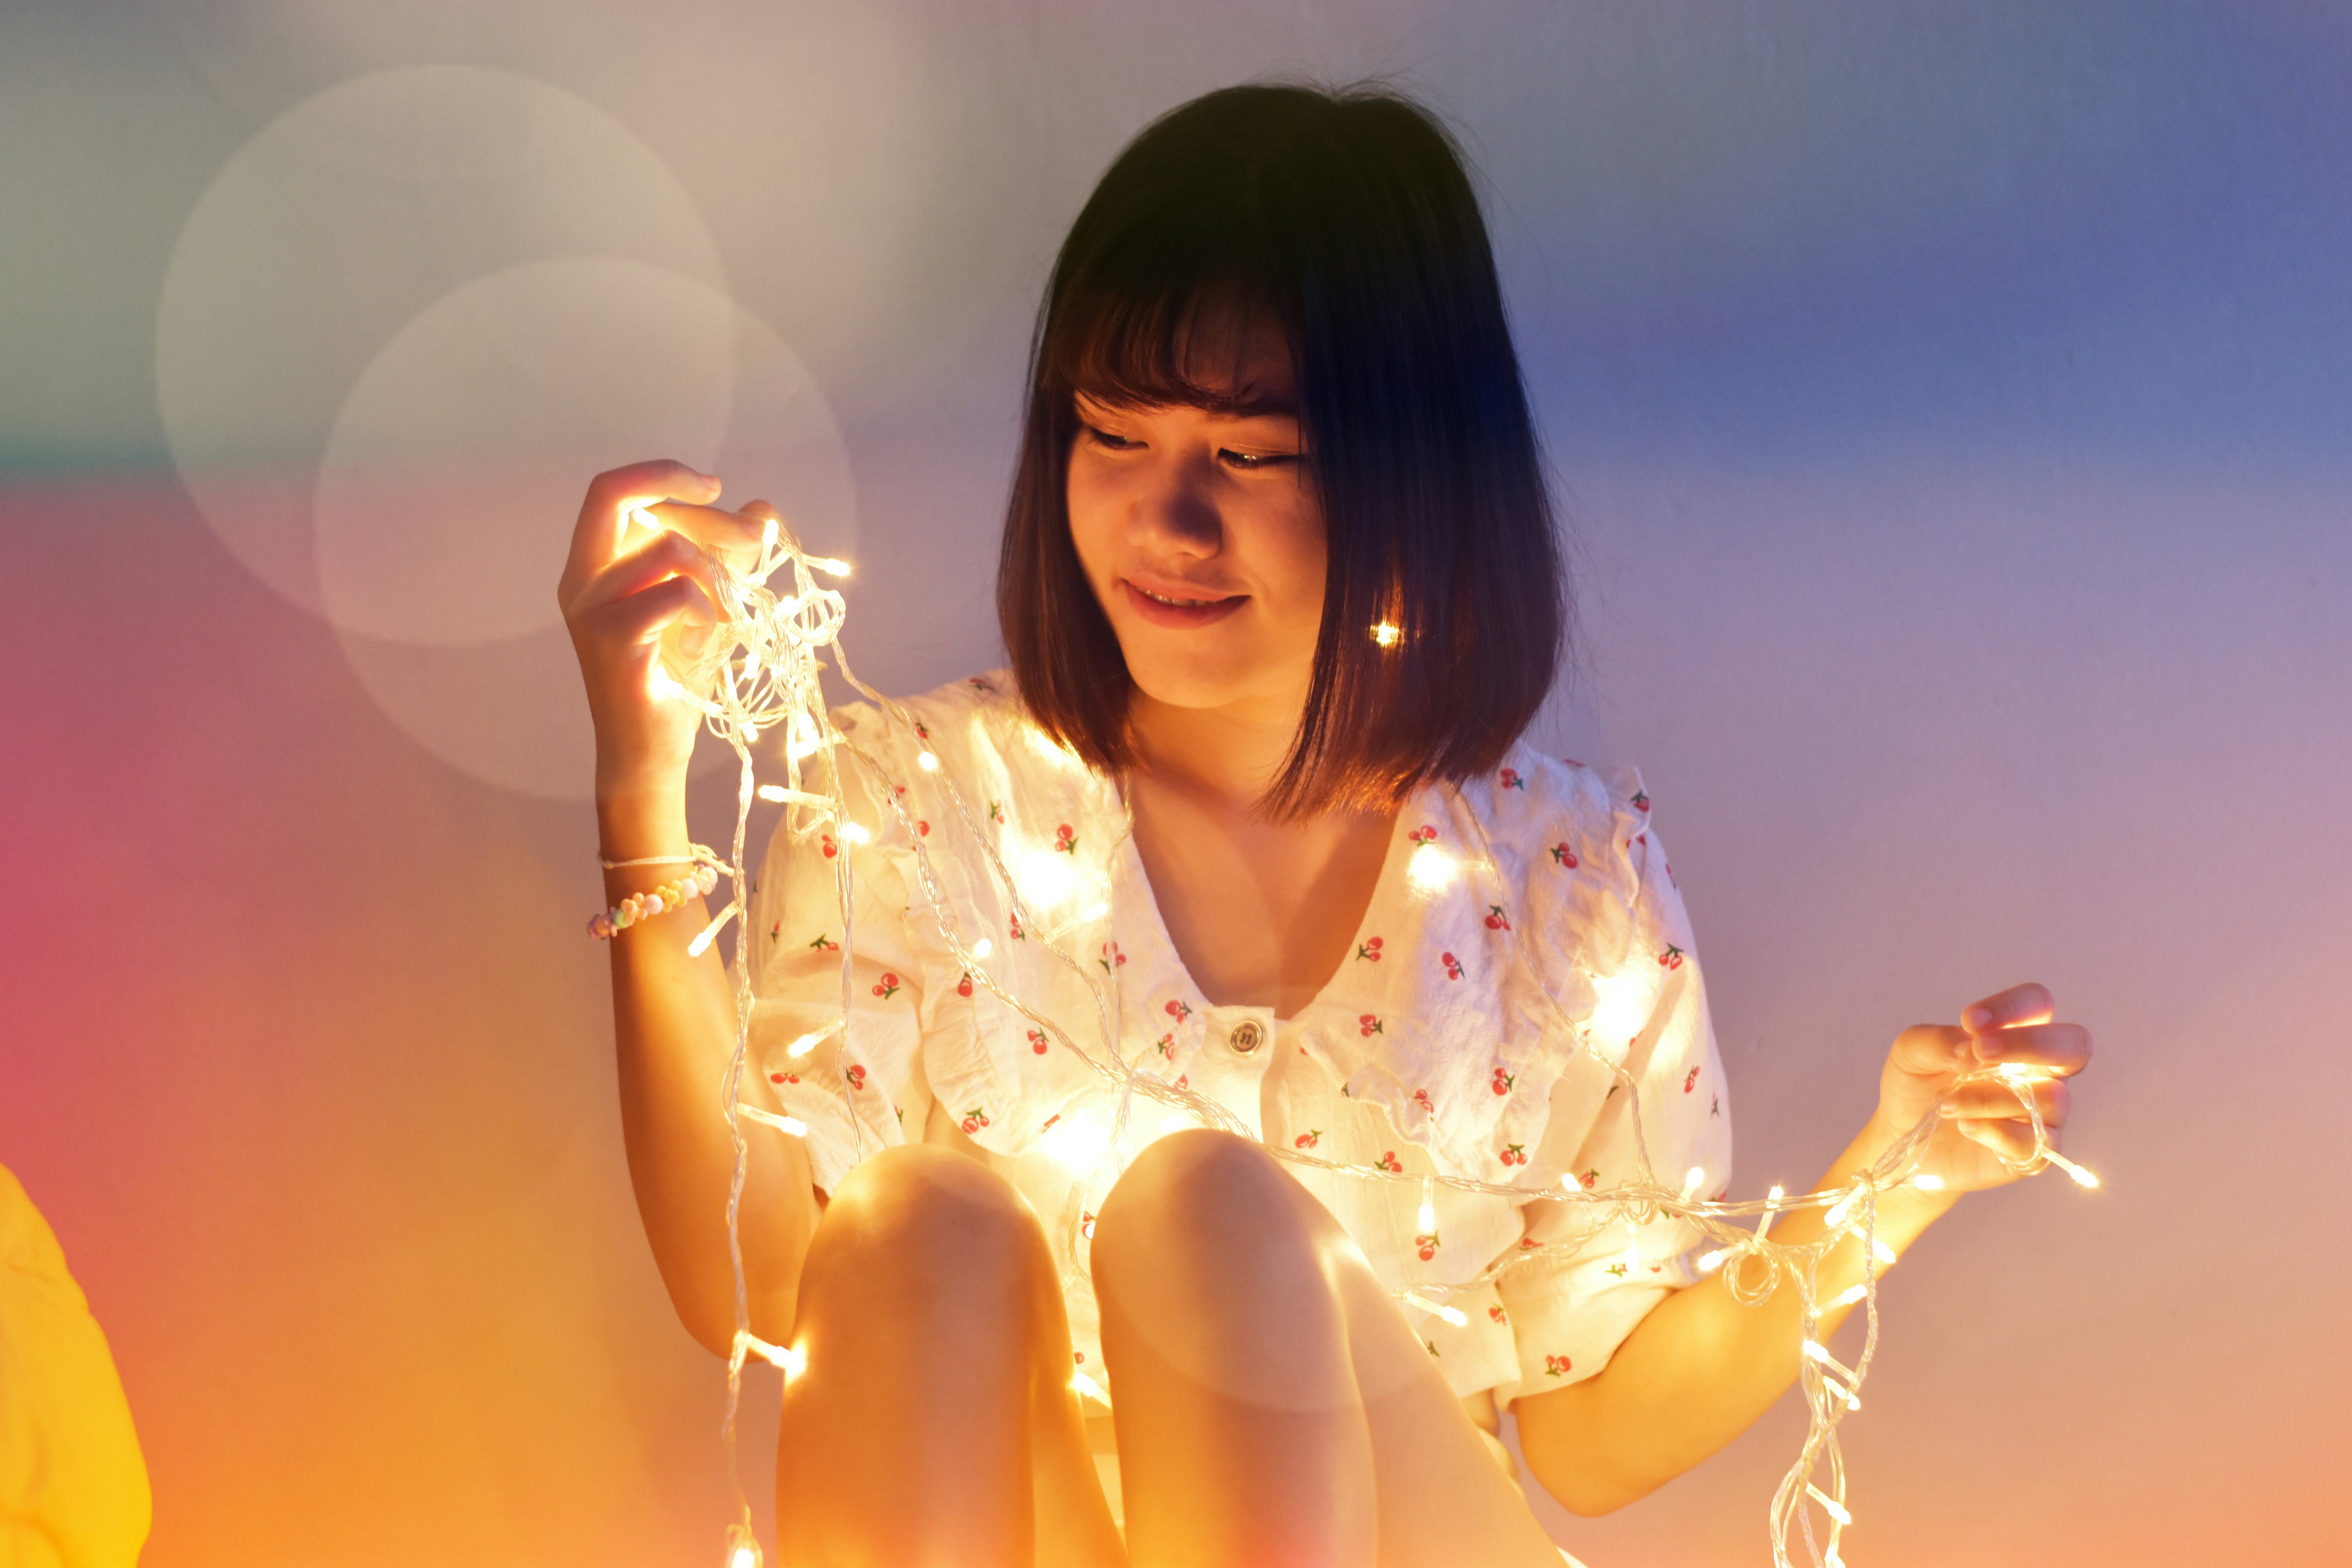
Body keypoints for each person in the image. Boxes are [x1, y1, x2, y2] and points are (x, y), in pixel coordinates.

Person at [558, 82, 2091, 1566]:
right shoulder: (916, 805)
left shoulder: (1562, 889)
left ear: (1407, 475)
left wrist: (1893, 1181)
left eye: (1248, 454)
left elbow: (1589, 1433)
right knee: (905, 1220)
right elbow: (755, 1279)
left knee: (1207, 1212)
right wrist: (640, 787)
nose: (1166, 522)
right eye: (1114, 432)